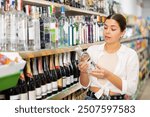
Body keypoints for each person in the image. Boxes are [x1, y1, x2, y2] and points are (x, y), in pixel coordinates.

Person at [78, 14, 139, 100]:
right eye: (105, 27)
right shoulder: (92, 51)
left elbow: (131, 89)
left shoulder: (130, 55)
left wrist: (107, 75)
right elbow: (84, 85)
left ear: (123, 32)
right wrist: (83, 72)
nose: (107, 32)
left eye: (113, 29)